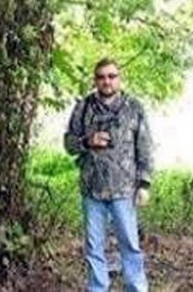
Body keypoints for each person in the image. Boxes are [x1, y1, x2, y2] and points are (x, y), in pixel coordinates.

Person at [64, 58, 153, 292]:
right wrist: (87, 141)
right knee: (94, 246)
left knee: (130, 244)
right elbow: (69, 142)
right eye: (102, 77)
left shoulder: (134, 107)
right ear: (95, 80)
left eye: (112, 76)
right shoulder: (83, 107)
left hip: (124, 189)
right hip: (92, 189)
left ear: (119, 79)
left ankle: (136, 288)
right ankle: (97, 288)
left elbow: (144, 146)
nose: (107, 81)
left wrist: (144, 184)